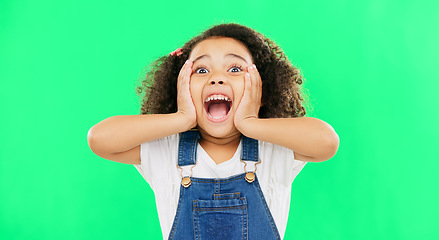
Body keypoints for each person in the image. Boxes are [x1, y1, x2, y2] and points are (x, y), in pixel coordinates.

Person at [88, 23, 339, 240]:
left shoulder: (272, 149)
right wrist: (181, 118)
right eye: (201, 70)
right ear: (180, 87)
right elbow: (100, 139)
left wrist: (250, 123)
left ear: (262, 90)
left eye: (234, 69)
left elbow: (326, 141)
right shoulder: (167, 151)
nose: (217, 79)